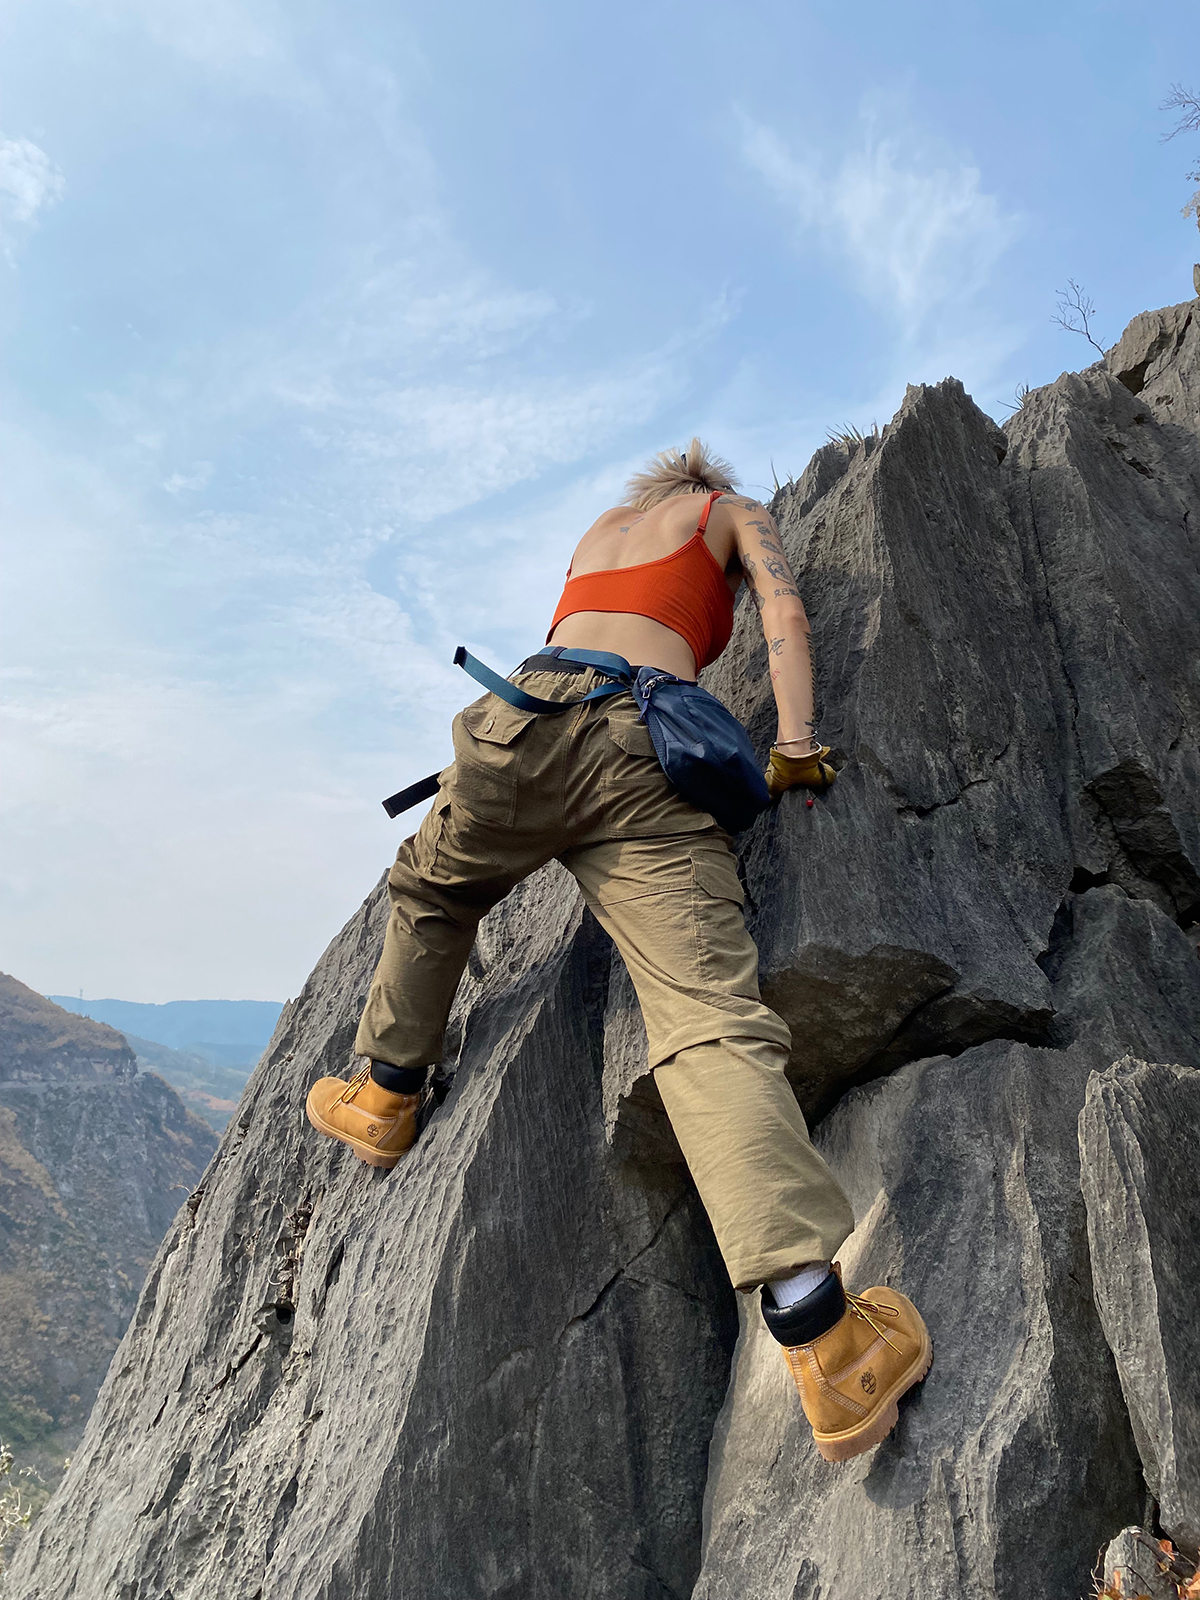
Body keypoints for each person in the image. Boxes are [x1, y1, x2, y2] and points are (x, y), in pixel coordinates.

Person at [305, 439, 930, 1461]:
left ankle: (383, 1093)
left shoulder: (598, 531)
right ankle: (827, 1342)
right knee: (703, 1011)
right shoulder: (731, 509)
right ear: (708, 489)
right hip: (637, 746)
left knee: (429, 881)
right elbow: (782, 612)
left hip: (516, 720)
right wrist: (799, 744)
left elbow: (578, 636)